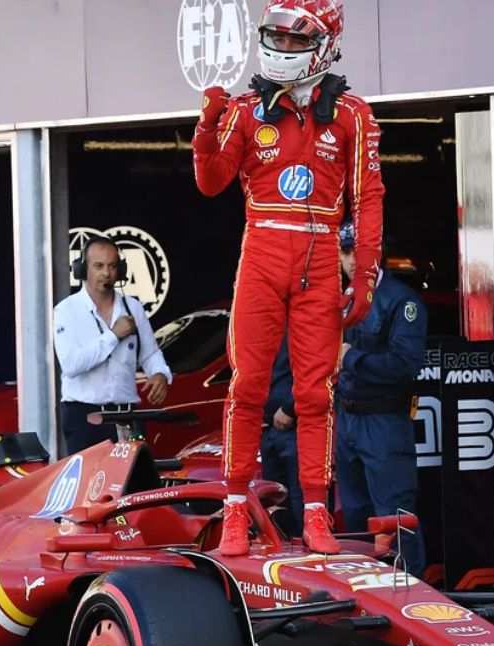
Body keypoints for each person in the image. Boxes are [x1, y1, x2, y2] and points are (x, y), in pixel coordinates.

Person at [192, 0, 384, 556]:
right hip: (263, 251)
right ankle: (234, 510)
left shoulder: (351, 115)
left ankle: (317, 514)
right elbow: (211, 182)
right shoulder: (246, 110)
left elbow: (368, 197)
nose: (284, 48)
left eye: (298, 40)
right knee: (247, 384)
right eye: (278, 37)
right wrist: (207, 127)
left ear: (324, 45)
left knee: (314, 394)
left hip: (323, 254)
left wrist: (365, 271)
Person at [334, 222, 427, 576]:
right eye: (345, 251)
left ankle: (418, 609)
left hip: (384, 422)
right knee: (355, 521)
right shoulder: (340, 300)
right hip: (347, 421)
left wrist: (349, 357)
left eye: (360, 250)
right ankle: (364, 608)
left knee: (395, 519)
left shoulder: (402, 301)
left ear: (378, 252)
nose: (352, 259)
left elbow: (405, 365)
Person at [53, 236, 171, 454]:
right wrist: (113, 335)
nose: (106, 273)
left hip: (128, 417)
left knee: (132, 483)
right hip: (85, 418)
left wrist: (160, 374)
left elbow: (151, 353)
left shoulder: (133, 308)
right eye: (98, 266)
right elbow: (71, 365)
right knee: (88, 485)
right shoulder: (66, 311)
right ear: (82, 269)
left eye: (112, 266)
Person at [260, 334, 304, 536]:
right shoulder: (261, 322)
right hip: (266, 426)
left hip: (297, 427)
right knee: (274, 503)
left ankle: (312, 561)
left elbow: (314, 367)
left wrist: (291, 406)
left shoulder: (301, 315)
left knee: (301, 503)